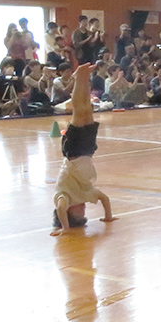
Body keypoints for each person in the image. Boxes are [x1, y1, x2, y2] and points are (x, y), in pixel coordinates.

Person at [51, 64, 117, 236]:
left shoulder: (65, 197)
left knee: (79, 111)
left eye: (79, 213)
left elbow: (60, 208)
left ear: (69, 213)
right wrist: (108, 217)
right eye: (84, 213)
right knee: (87, 109)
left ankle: (78, 77)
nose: (83, 209)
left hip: (73, 151)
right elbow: (105, 199)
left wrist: (65, 228)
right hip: (87, 150)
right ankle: (83, 77)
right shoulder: (85, 193)